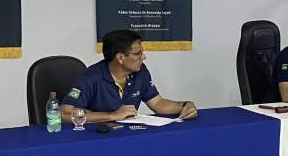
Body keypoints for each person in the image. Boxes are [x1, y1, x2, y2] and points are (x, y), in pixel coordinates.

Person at [60, 30, 198, 124]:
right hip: (97, 138)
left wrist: (185, 105)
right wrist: (112, 116)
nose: (143, 57)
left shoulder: (140, 71)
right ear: (120, 57)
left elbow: (157, 103)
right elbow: (64, 113)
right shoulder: (92, 76)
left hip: (127, 136)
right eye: (138, 54)